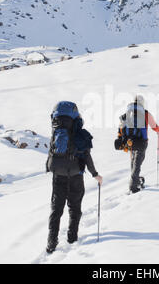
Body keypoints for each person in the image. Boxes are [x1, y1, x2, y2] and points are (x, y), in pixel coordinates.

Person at [45, 101, 103, 254]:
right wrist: (95, 174)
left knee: (56, 209)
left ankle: (51, 242)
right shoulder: (81, 135)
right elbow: (87, 157)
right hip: (76, 175)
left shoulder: (56, 132)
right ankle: (72, 237)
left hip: (58, 175)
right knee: (74, 207)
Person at [116, 95, 159, 194]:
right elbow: (154, 125)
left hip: (130, 142)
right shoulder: (145, 113)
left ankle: (135, 180)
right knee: (137, 164)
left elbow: (121, 124)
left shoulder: (128, 113)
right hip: (141, 142)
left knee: (134, 162)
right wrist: (158, 129)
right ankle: (133, 187)